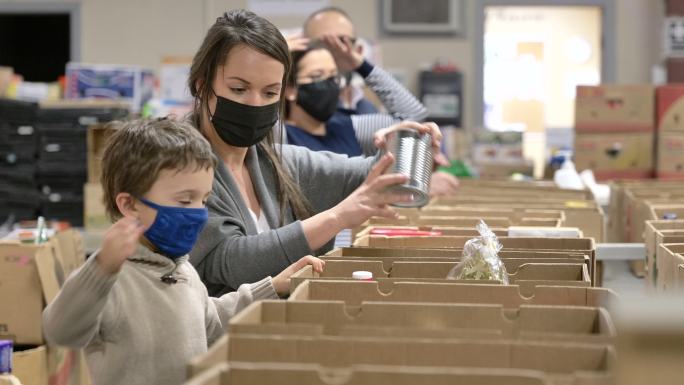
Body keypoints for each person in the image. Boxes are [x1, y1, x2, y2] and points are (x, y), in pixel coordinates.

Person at [42, 118, 325, 385]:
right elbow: (60, 330)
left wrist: (273, 286)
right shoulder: (109, 280)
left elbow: (211, 323)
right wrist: (101, 268)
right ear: (129, 205)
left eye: (203, 200)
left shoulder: (183, 269)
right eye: (184, 200)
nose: (198, 214)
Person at [187, 9, 444, 296]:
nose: (255, 103)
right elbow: (230, 262)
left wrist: (410, 142)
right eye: (238, 89)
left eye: (270, 93)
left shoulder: (277, 162)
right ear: (202, 85)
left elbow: (381, 175)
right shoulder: (180, 165)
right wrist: (337, 217)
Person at [284, 41, 427, 156]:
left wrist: (361, 65)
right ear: (290, 89)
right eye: (317, 76)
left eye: (334, 75)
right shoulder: (279, 135)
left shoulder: (350, 128)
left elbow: (413, 118)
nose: (329, 82)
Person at [302, 6, 378, 114]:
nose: (333, 53)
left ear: (359, 51)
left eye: (342, 42)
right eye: (322, 44)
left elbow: (409, 114)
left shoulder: (369, 109)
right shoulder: (300, 113)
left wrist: (363, 66)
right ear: (304, 52)